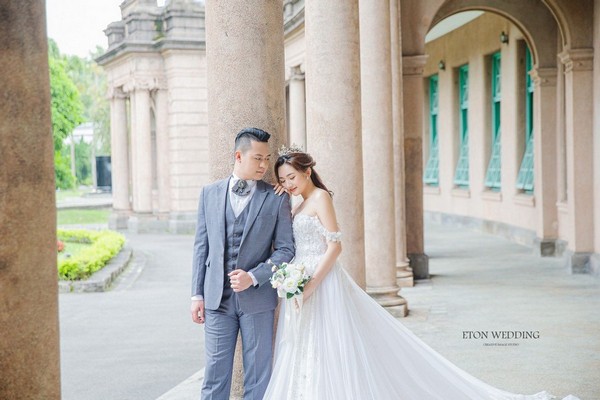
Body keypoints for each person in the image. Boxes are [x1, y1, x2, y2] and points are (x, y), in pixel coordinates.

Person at [263, 147, 580, 400]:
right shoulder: (296, 203)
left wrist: (312, 283)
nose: (288, 183)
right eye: (283, 180)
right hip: (301, 280)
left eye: (292, 176)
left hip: (322, 280)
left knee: (331, 341)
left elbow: (335, 247)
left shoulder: (320, 197)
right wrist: (295, 277)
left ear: (307, 171)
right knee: (306, 343)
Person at [190, 128, 294, 400]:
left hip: (258, 299)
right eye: (258, 158)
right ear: (239, 156)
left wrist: (254, 276)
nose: (264, 165)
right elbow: (201, 247)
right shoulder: (209, 193)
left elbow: (286, 249)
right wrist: (196, 294)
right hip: (217, 300)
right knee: (214, 377)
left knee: (259, 377)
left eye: (267, 159)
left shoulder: (277, 197)